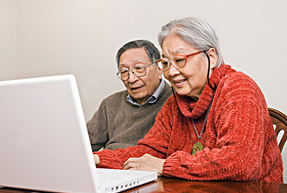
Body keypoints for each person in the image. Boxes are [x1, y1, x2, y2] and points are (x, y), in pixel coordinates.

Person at [93, 17, 283, 183]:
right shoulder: (174, 103)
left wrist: (165, 166)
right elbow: (146, 153)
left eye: (180, 60)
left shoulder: (239, 88)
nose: (172, 72)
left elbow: (241, 163)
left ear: (211, 56)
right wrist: (97, 159)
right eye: (166, 63)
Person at [87, 40, 172, 151]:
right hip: (108, 165)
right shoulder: (110, 104)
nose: (131, 79)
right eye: (124, 71)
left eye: (139, 68)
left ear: (159, 69)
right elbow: (80, 145)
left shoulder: (175, 100)